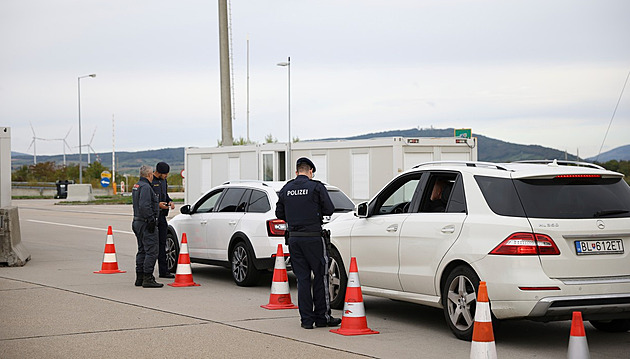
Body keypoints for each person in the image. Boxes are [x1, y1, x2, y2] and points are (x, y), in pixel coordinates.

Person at [275, 157, 341, 329]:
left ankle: (306, 320)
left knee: (302, 279)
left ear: (297, 172)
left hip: (294, 239)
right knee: (320, 276)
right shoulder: (316, 187)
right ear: (311, 171)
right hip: (313, 238)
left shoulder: (286, 188)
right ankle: (322, 317)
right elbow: (329, 209)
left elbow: (279, 212)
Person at [132, 165, 163, 288]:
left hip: (137, 221)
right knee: (151, 251)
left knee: (142, 250)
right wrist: (151, 219)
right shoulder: (146, 187)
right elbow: (144, 205)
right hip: (145, 222)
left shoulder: (137, 185)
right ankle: (147, 277)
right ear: (149, 175)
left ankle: (140, 277)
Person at [152, 161, 175, 279]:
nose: (166, 176)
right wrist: (157, 205)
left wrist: (169, 201)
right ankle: (147, 272)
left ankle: (164, 270)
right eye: (165, 174)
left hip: (162, 216)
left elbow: (165, 195)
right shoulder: (150, 181)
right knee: (152, 245)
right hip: (152, 217)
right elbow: (147, 200)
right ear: (159, 172)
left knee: (163, 243)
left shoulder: (163, 181)